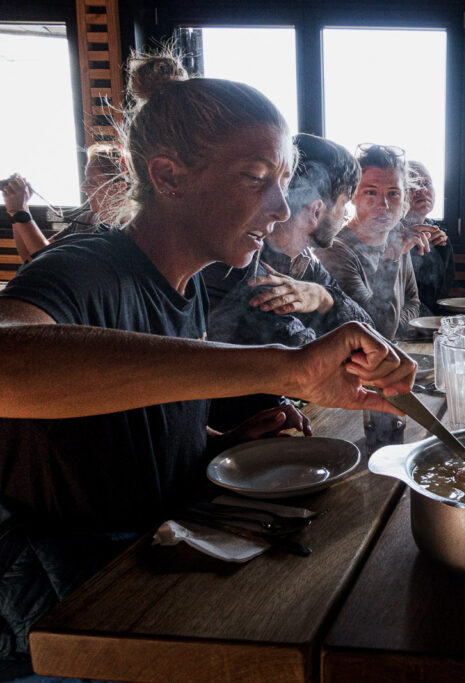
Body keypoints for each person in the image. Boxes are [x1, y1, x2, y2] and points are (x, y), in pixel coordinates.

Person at [0, 53, 414, 673]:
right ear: (167, 177)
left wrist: (219, 440)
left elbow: (111, 439)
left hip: (150, 562)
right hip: (62, 611)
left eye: (284, 181)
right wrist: (279, 366)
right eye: (256, 178)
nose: (280, 207)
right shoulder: (88, 267)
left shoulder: (188, 285)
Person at [203, 132, 372, 345]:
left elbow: (367, 329)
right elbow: (302, 354)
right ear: (316, 211)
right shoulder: (243, 261)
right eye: (343, 204)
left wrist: (322, 297)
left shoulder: (306, 262)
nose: (346, 215)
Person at [316, 144, 421, 339]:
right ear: (353, 196)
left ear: (405, 197)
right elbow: (375, 329)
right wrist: (391, 256)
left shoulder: (396, 235)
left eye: (393, 193)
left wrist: (395, 323)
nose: (384, 205)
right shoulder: (335, 250)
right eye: (371, 192)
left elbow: (413, 302)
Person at [2, 143, 128, 263]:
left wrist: (20, 212)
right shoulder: (86, 220)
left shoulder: (124, 232)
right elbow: (30, 259)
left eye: (91, 182)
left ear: (118, 188)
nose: (82, 187)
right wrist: (16, 210)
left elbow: (47, 261)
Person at [401, 161, 455, 315]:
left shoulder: (439, 237)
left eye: (426, 183)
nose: (422, 190)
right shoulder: (389, 233)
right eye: (413, 185)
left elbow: (443, 294)